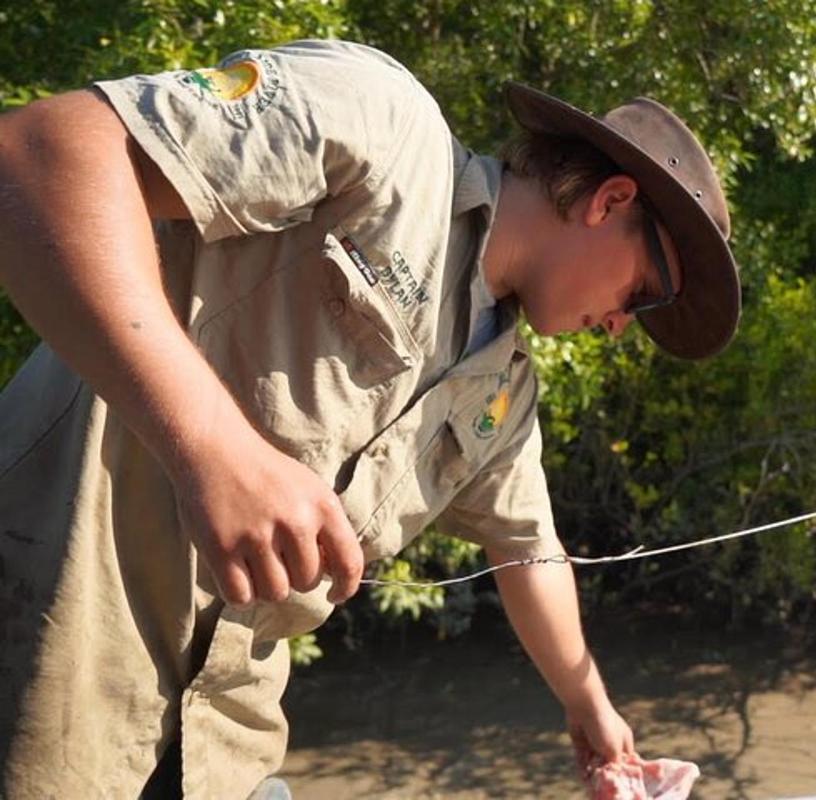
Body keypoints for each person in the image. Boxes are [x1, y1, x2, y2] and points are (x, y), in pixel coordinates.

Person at [0, 39, 739, 798]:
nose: (623, 327)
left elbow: (530, 549)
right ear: (609, 201)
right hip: (43, 667)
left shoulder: (502, 390)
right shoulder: (385, 125)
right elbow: (39, 152)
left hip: (220, 746)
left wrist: (594, 713)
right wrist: (214, 450)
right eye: (645, 293)